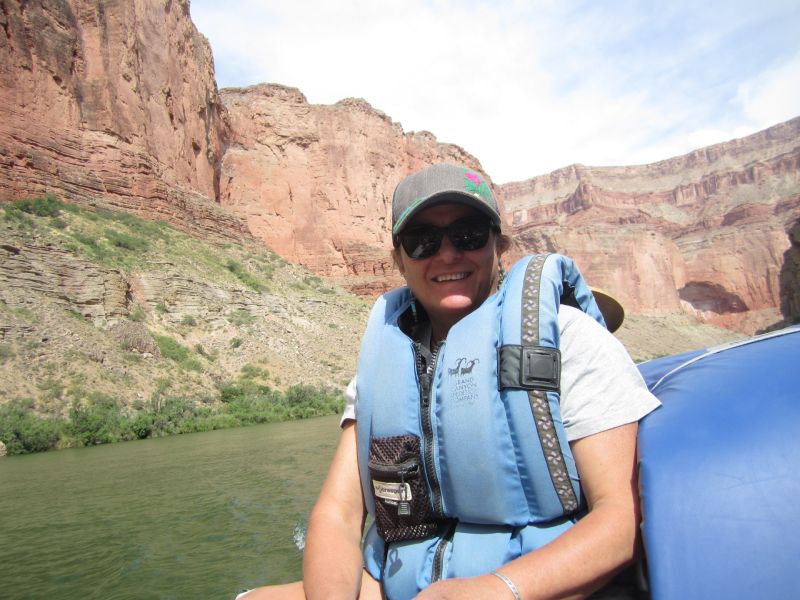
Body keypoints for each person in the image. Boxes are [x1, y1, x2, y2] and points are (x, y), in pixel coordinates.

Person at [239, 163, 660, 600]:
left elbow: (623, 517)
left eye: (469, 234)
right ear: (399, 260)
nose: (447, 254)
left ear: (500, 246)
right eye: (422, 240)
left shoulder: (569, 339)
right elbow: (339, 516)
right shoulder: (381, 370)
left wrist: (498, 589)